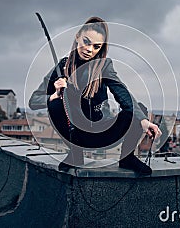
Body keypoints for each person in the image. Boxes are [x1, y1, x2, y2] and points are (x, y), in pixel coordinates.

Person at [29, 17, 161, 175]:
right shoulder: (62, 67)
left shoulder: (105, 66)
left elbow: (123, 94)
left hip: (104, 132)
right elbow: (33, 101)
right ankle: (75, 155)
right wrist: (55, 95)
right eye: (86, 41)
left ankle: (127, 158)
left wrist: (143, 120)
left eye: (96, 46)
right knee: (55, 104)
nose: (89, 49)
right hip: (76, 135)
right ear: (78, 36)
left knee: (139, 109)